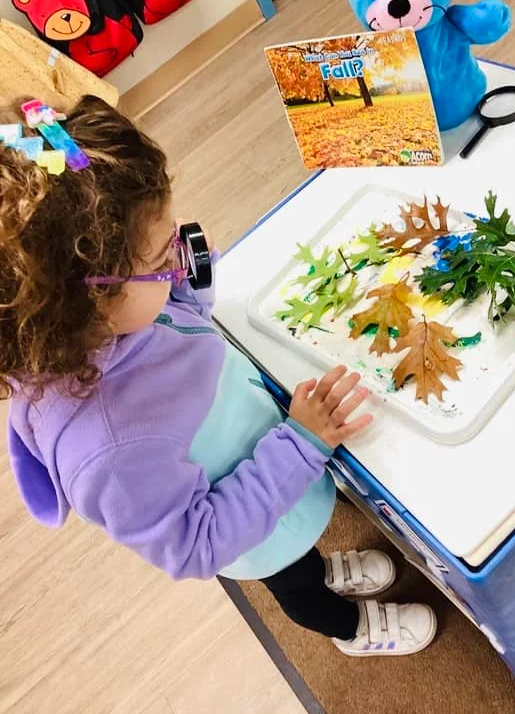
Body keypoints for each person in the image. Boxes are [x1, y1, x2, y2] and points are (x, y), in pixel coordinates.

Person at [3, 95, 436, 657]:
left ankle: (325, 566)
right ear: (88, 304)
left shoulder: (100, 323)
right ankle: (350, 630)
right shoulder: (109, 453)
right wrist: (300, 445)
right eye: (160, 258)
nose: (175, 255)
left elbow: (175, 325)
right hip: (251, 529)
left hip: (269, 470)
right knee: (297, 585)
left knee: (305, 553)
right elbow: (198, 545)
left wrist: (184, 281)